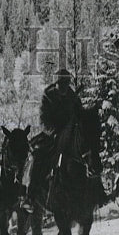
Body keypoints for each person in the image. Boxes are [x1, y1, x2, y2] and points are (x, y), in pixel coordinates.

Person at [20, 68, 86, 212]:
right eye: (61, 84)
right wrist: (54, 131)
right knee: (37, 157)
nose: (63, 87)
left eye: (66, 83)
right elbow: (43, 120)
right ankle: (30, 196)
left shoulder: (73, 96)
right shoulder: (47, 96)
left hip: (70, 134)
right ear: (56, 83)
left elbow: (81, 115)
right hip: (51, 135)